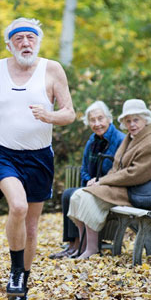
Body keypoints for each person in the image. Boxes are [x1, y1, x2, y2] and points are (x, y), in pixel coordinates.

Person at [0, 17, 75, 300]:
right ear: (9, 44)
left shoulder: (52, 69)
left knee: (32, 229)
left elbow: (69, 113)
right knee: (18, 207)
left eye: (30, 38)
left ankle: (22, 289)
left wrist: (50, 117)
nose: (25, 43)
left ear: (38, 42)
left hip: (39, 157)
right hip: (3, 152)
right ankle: (15, 273)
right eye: (18, 38)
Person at [67, 99, 151, 259]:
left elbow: (134, 174)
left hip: (139, 192)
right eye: (128, 121)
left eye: (136, 120)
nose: (132, 124)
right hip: (125, 188)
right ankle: (84, 246)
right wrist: (99, 182)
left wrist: (102, 182)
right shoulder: (132, 137)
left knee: (86, 197)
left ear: (145, 120)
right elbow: (116, 166)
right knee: (77, 196)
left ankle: (92, 249)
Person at [49, 101, 124, 259]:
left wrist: (100, 180)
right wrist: (89, 179)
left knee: (74, 195)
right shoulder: (92, 141)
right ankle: (73, 244)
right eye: (92, 120)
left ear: (109, 119)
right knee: (68, 194)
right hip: (93, 185)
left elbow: (120, 170)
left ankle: (80, 245)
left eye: (100, 119)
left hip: (110, 188)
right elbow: (83, 168)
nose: (97, 124)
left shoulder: (119, 140)